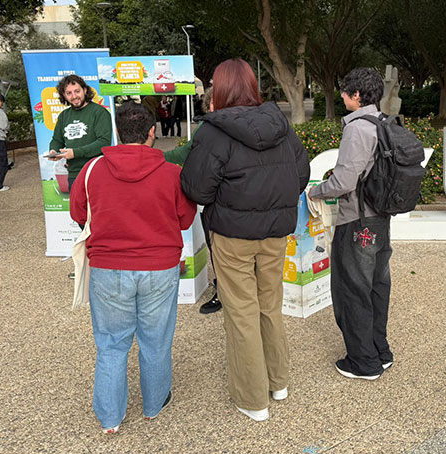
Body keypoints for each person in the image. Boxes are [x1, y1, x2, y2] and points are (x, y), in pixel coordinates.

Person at [180, 58, 309, 422]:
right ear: (253, 87)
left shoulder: (212, 133)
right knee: (270, 304)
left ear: (219, 91)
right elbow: (301, 174)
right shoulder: (281, 125)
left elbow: (197, 188)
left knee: (241, 312)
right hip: (275, 233)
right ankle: (278, 382)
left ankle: (253, 400)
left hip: (232, 235)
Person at [69, 103, 196, 434]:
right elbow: (185, 218)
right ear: (152, 132)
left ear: (117, 132)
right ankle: (153, 405)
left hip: (108, 267)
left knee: (111, 344)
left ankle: (110, 418)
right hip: (160, 267)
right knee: (156, 340)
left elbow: (79, 213)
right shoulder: (171, 173)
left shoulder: (93, 169)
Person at [308, 68, 394, 381]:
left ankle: (363, 362)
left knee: (352, 290)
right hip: (380, 218)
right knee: (377, 286)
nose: (342, 95)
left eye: (345, 91)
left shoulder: (357, 128)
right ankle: (380, 351)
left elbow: (343, 181)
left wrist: (315, 191)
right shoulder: (383, 122)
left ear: (356, 95)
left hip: (357, 221)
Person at [164, 88, 222, 315]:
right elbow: (186, 153)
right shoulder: (206, 128)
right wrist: (154, 157)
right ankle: (223, 290)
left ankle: (227, 292)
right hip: (219, 201)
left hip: (229, 201)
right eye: (214, 102)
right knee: (218, 249)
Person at [47, 75, 112, 193]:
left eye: (77, 91)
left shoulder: (99, 112)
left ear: (85, 90)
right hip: (74, 174)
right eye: (69, 93)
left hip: (97, 172)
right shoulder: (64, 116)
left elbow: (104, 142)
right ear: (64, 95)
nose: (74, 96)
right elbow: (57, 140)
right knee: (77, 206)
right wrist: (53, 150)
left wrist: (75, 153)